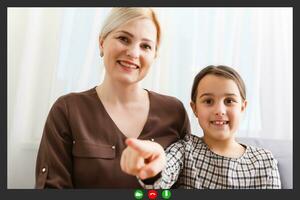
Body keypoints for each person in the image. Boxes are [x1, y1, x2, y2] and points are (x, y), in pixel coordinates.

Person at [35, 8, 190, 188]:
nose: (133, 53)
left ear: (154, 55)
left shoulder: (174, 112)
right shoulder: (67, 109)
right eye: (124, 38)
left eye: (146, 46)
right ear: (102, 42)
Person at [120, 65, 281, 189]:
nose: (219, 110)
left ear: (243, 107)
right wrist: (154, 165)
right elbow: (161, 179)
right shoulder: (185, 150)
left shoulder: (264, 161)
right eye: (208, 101)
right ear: (195, 108)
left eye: (229, 101)